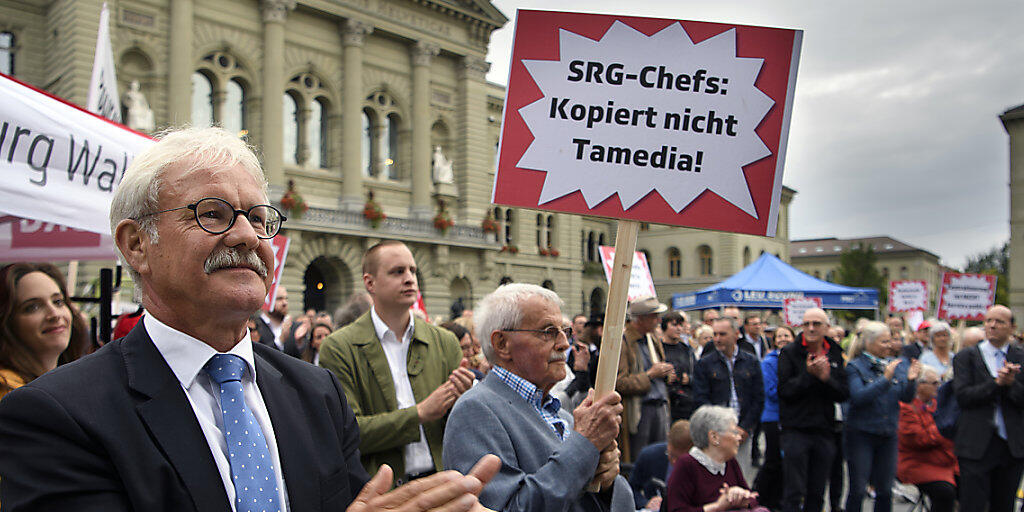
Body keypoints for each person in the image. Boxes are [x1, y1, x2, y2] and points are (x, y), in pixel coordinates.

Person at [0, 127, 499, 511]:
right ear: (137, 244)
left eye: (258, 219)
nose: (248, 237)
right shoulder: (54, 417)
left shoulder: (316, 393)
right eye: (213, 214)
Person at [443, 283, 633, 512]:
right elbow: (510, 507)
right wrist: (584, 445)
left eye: (565, 331)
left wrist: (607, 482)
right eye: (548, 332)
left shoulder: (562, 414)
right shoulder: (475, 412)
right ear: (502, 344)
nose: (564, 344)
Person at [319, 240, 476, 480]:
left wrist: (461, 399)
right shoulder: (339, 347)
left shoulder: (445, 342)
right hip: (381, 491)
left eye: (412, 270)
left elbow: (463, 429)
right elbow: (349, 433)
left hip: (442, 481)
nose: (410, 278)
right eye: (397, 271)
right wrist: (420, 413)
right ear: (370, 282)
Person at [952, 305, 1024, 512]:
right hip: (975, 445)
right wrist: (996, 383)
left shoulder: (1020, 357)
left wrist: (1011, 384)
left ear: (1012, 327)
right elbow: (964, 397)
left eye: (999, 322)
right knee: (972, 504)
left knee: (1004, 504)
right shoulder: (966, 357)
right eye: (988, 321)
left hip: (1011, 446)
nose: (992, 326)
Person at [777, 308, 849, 512]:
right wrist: (808, 375)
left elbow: (843, 393)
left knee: (817, 492)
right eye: (806, 323)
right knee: (794, 491)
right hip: (796, 429)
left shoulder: (834, 351)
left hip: (825, 430)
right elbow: (785, 391)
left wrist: (826, 379)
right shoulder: (790, 352)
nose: (811, 328)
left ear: (826, 327)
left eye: (816, 324)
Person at [843, 321, 920, 512]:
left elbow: (905, 397)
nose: (889, 346)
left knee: (885, 491)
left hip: (888, 434)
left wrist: (911, 381)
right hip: (861, 434)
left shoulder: (895, 365)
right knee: (858, 490)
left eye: (890, 341)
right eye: (884, 342)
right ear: (869, 343)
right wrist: (885, 379)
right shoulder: (855, 366)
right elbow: (859, 397)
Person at [0, 263, 88, 400]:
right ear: (6, 322)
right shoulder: (7, 391)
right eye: (33, 307)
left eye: (58, 302)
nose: (54, 314)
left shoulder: (72, 381)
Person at [692, 317, 764, 470]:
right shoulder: (704, 364)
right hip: (715, 433)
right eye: (715, 334)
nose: (717, 339)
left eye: (722, 334)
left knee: (740, 475)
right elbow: (701, 399)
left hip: (742, 430)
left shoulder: (751, 361)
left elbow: (758, 397)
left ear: (736, 334)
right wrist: (717, 427)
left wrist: (745, 427)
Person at [665, 405, 764, 512]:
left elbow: (754, 500)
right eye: (734, 432)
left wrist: (740, 497)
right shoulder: (687, 464)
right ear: (714, 437)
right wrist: (717, 507)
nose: (739, 437)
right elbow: (676, 509)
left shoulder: (729, 461)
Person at [616, 296, 675, 462]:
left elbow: (657, 372)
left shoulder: (652, 339)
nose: (658, 320)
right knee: (641, 458)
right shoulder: (624, 342)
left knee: (661, 457)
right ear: (640, 319)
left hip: (660, 406)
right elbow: (620, 383)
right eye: (654, 316)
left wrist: (666, 374)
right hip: (640, 411)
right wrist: (650, 375)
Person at [897, 366, 957, 512]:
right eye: (934, 383)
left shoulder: (938, 404)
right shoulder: (906, 407)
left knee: (973, 481)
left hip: (943, 460)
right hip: (916, 462)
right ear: (919, 385)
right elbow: (917, 439)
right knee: (945, 492)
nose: (939, 387)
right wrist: (943, 430)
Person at [753, 324, 795, 510]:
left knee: (785, 462)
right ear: (774, 340)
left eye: (787, 335)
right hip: (773, 417)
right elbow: (771, 391)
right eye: (780, 336)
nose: (783, 339)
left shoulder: (796, 360)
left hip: (791, 417)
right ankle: (759, 496)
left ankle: (777, 500)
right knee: (773, 460)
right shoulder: (769, 362)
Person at [630, 419, 693, 510]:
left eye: (680, 459)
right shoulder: (649, 455)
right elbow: (631, 489)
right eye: (671, 455)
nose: (675, 462)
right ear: (668, 440)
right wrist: (645, 503)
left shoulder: (700, 465)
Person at [662, 311, 697, 421]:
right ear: (664, 326)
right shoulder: (658, 348)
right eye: (674, 325)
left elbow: (699, 374)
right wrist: (665, 377)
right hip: (666, 401)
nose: (678, 328)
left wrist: (689, 379)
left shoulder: (687, 350)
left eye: (680, 325)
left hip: (685, 403)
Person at [254, 285, 289, 350]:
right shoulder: (255, 326)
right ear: (267, 301)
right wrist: (279, 342)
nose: (285, 303)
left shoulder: (292, 326)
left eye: (286, 298)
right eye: (279, 299)